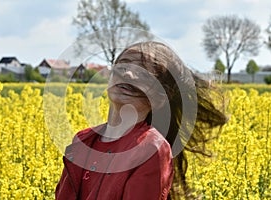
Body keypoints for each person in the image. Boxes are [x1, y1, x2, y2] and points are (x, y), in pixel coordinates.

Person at [55, 41, 228, 200]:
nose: (128, 73)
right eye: (123, 64)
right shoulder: (83, 140)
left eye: (143, 73)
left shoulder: (150, 149)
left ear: (161, 97)